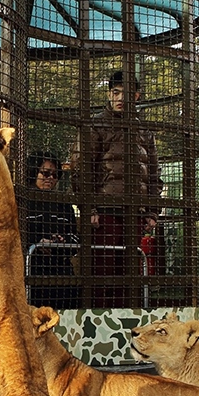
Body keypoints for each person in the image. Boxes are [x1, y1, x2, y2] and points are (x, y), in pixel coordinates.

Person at [73, 68, 163, 307]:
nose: (120, 98)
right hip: (104, 212)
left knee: (131, 273)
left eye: (126, 93)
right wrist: (89, 207)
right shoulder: (96, 125)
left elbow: (154, 174)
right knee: (103, 272)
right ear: (109, 94)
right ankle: (99, 328)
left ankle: (127, 324)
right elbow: (81, 168)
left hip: (135, 213)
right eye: (116, 92)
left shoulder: (144, 130)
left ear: (137, 96)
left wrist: (152, 212)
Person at [22, 152, 78, 310]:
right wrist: (38, 243)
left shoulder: (64, 204)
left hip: (62, 271)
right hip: (33, 270)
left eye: (55, 175)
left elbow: (76, 238)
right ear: (34, 172)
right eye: (45, 173)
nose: (50, 178)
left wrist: (61, 243)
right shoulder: (24, 203)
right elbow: (16, 237)